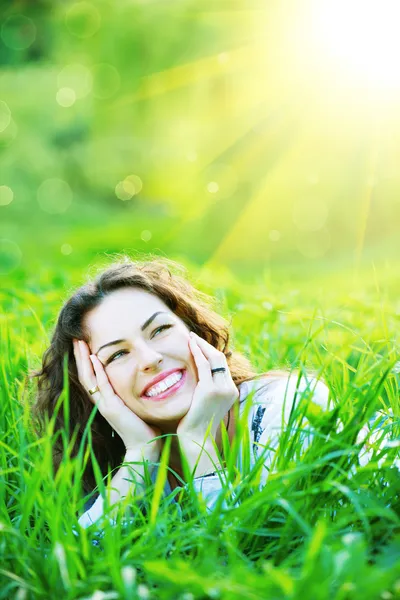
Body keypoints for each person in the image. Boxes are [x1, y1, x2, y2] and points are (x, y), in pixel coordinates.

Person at [33, 257, 330, 530]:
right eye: (118, 354)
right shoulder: (110, 469)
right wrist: (139, 453)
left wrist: (198, 443)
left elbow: (268, 551)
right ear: (91, 384)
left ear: (195, 332)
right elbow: (75, 573)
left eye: (160, 330)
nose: (149, 359)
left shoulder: (290, 405)